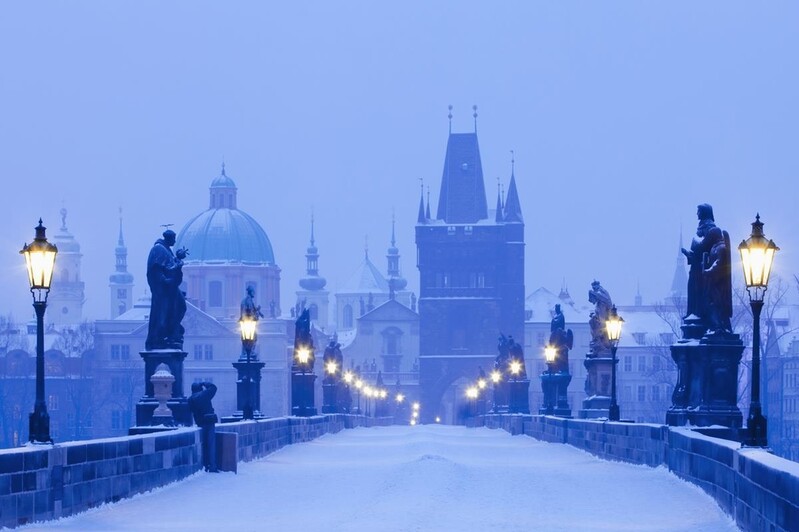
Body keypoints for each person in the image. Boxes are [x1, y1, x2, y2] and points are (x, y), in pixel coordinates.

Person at [145, 229, 188, 351]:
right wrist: (164, 280)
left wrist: (179, 258)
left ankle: (172, 332)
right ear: (169, 238)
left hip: (170, 288)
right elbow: (155, 269)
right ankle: (158, 338)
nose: (175, 241)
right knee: (162, 313)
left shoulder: (167, 250)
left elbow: (171, 267)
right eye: (174, 239)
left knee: (180, 307)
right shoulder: (158, 249)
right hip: (163, 289)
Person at [189, 381, 218, 472]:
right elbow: (214, 387)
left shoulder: (190, 399)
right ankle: (212, 466)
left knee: (203, 445)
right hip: (209, 422)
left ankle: (205, 465)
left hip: (200, 423)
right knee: (211, 445)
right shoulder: (204, 394)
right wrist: (205, 383)